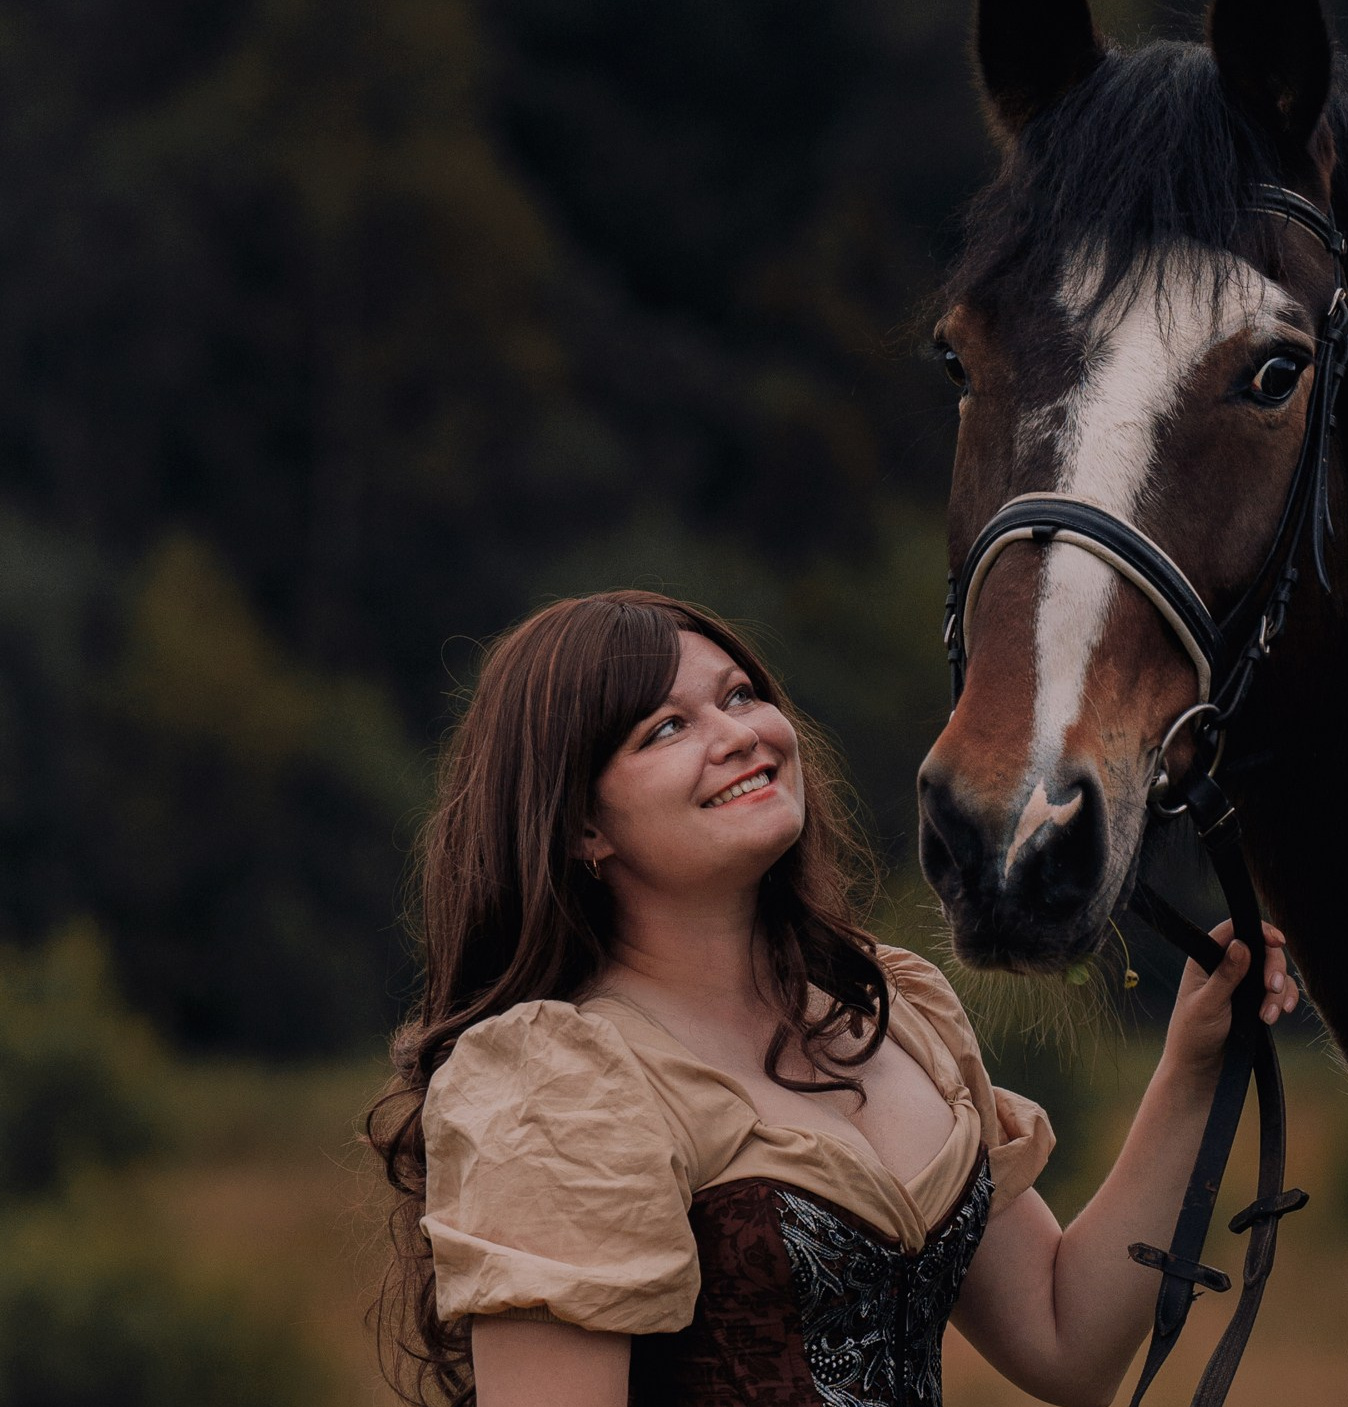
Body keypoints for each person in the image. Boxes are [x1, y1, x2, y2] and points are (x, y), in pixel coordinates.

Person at [366, 590, 1298, 1407]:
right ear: (580, 828)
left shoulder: (890, 1009)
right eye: (666, 728)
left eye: (739, 695)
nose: (739, 733)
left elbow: (1067, 1342)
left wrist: (1193, 1062)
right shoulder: (561, 1084)